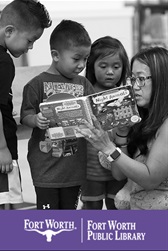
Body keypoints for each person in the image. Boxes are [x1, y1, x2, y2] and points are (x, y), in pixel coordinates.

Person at [77, 46, 168, 210]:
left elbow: (150, 180)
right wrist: (122, 133)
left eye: (141, 79)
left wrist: (108, 147)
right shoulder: (143, 117)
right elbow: (118, 174)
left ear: (162, 80)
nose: (134, 86)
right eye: (132, 79)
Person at [0, 0, 51, 210]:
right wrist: (2, 149)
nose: (30, 47)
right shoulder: (3, 62)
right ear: (10, 31)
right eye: (30, 40)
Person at [20, 20, 94, 209]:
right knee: (48, 222)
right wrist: (36, 119)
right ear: (55, 55)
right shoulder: (36, 84)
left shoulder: (84, 84)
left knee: (67, 218)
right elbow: (25, 115)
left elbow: (94, 110)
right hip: (46, 168)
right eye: (76, 59)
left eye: (85, 59)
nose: (81, 65)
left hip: (73, 169)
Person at [80, 36, 129, 209]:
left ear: (123, 68)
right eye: (103, 66)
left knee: (116, 206)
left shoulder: (125, 95)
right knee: (91, 209)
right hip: (90, 169)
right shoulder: (85, 92)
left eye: (116, 67)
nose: (110, 72)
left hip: (118, 166)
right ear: (92, 66)